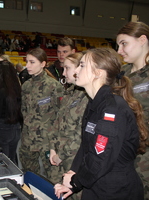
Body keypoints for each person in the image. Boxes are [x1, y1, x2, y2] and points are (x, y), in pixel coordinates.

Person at [54, 48, 149, 200]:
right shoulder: (95, 104)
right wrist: (73, 173)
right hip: (96, 185)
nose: (76, 70)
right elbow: (86, 146)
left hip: (115, 190)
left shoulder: (112, 109)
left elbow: (100, 158)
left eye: (82, 65)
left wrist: (76, 182)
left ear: (98, 72)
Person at [116, 21, 149, 200]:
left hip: (147, 155)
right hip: (122, 151)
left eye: (124, 44)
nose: (119, 50)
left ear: (142, 40)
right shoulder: (122, 74)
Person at [48, 52, 88, 200]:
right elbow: (56, 123)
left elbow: (81, 136)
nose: (63, 73)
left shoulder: (88, 96)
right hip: (58, 158)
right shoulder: (69, 93)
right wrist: (53, 149)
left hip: (74, 162)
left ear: (79, 69)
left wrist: (61, 155)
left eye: (67, 68)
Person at [19, 48, 63, 178]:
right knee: (30, 175)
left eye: (32, 62)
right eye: (27, 62)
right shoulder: (26, 85)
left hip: (47, 140)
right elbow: (24, 111)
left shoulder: (54, 86)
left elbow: (60, 115)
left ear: (43, 64)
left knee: (53, 177)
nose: (27, 66)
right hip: (28, 139)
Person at [0, 60, 23, 163]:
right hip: (16, 129)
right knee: (12, 159)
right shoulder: (18, 89)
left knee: (2, 161)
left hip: (1, 130)